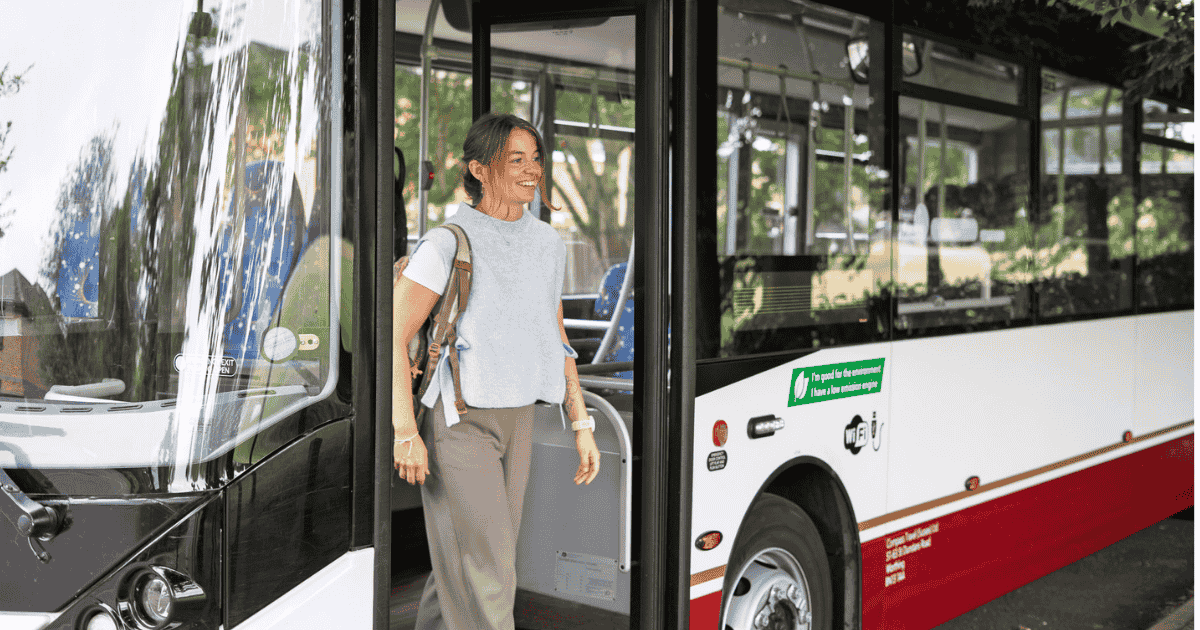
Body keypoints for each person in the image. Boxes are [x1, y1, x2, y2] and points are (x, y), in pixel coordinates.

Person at [391, 112, 602, 630]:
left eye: (536, 159)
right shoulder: (447, 242)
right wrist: (404, 433)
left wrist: (581, 423)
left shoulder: (549, 245)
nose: (532, 170)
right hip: (462, 424)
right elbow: (392, 337)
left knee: (461, 565)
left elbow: (557, 340)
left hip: (520, 421)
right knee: (490, 571)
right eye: (516, 159)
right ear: (480, 169)